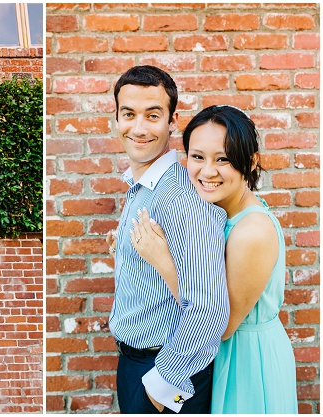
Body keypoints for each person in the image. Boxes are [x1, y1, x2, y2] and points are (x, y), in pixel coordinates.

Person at [128, 105, 298, 413]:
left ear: (250, 161)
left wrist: (161, 259)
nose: (207, 171)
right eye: (197, 157)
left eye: (222, 159)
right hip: (221, 358)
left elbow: (222, 324)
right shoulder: (221, 212)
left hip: (246, 361)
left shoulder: (251, 231)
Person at [106, 65, 229, 413]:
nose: (139, 127)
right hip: (136, 364)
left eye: (153, 115)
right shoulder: (144, 187)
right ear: (116, 117)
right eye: (129, 114)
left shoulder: (178, 197)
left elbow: (208, 307)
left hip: (163, 371)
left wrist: (163, 386)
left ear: (173, 120)